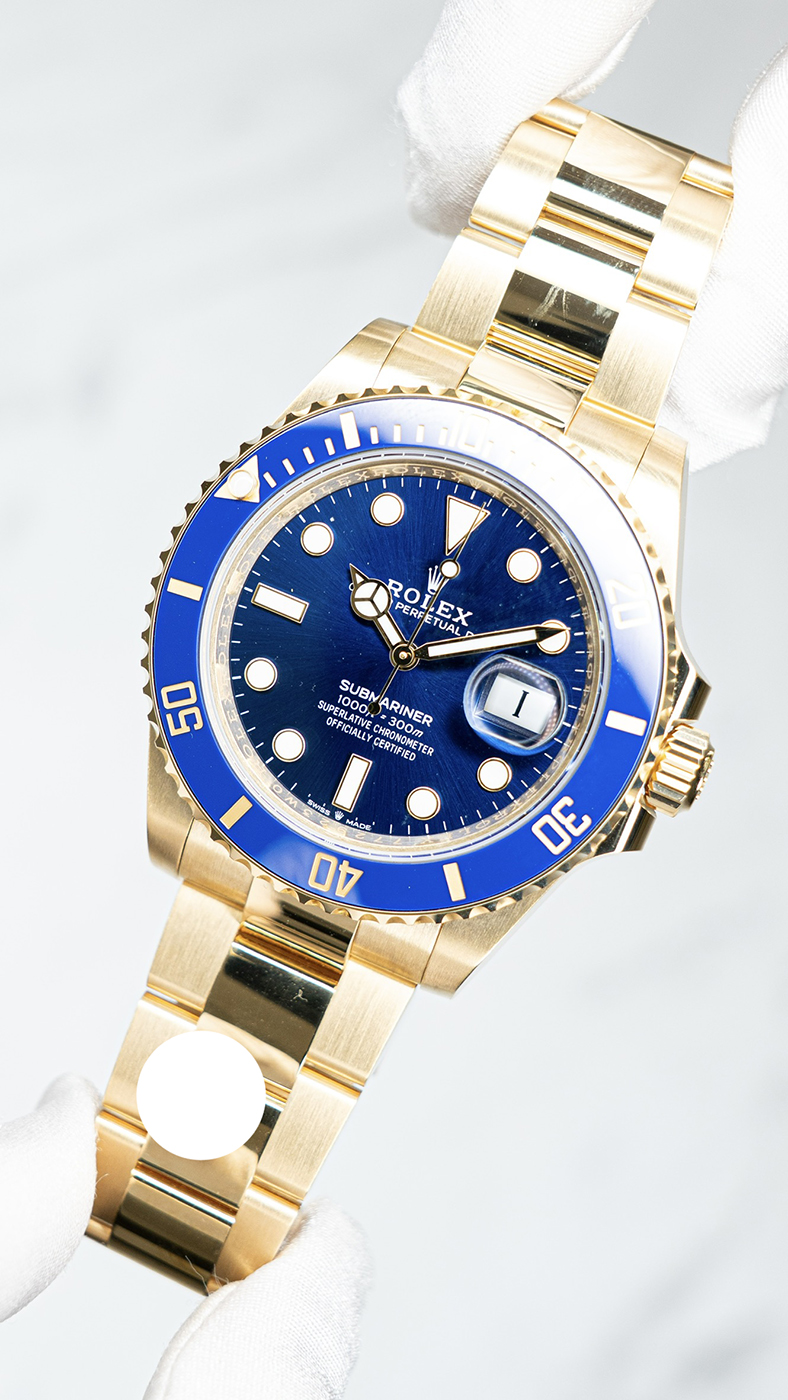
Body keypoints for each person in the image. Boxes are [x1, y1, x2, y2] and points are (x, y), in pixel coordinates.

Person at [2, 1, 786, 1394]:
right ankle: (175, 1198)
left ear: (649, 760)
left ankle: (185, 1196)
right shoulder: (376, 398)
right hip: (293, 807)